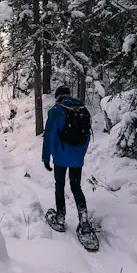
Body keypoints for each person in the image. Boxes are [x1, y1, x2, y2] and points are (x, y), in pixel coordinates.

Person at [42, 86, 91, 233]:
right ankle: (84, 221)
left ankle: (60, 217)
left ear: (57, 97)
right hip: (77, 157)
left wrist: (46, 157)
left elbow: (49, 136)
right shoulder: (82, 109)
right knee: (76, 187)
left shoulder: (56, 111)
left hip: (60, 157)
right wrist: (80, 154)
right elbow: (87, 135)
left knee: (60, 185)